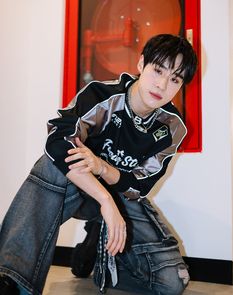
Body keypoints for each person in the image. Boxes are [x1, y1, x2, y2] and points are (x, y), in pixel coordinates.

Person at [0, 34, 197, 295]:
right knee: (51, 166)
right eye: (157, 70)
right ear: (141, 65)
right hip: (79, 189)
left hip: (124, 199)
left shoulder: (172, 127)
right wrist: (105, 200)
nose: (162, 84)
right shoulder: (102, 95)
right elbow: (57, 142)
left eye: (175, 79)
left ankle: (101, 253)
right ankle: (13, 280)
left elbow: (141, 186)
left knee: (171, 284)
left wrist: (104, 169)